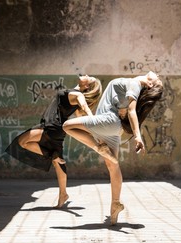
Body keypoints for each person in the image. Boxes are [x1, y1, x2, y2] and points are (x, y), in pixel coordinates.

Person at [63, 71, 163, 225]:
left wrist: (137, 136)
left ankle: (98, 148)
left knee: (67, 126)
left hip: (107, 121)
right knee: (113, 165)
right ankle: (115, 206)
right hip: (113, 128)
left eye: (157, 79)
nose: (157, 74)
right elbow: (125, 110)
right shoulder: (131, 85)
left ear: (149, 84)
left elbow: (131, 111)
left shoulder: (135, 84)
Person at [6, 75, 102, 208]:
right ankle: (63, 194)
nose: (86, 75)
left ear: (86, 86)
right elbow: (80, 117)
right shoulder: (74, 94)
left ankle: (52, 156)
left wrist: (94, 122)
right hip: (58, 129)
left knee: (22, 142)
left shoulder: (79, 95)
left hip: (51, 126)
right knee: (59, 164)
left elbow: (85, 109)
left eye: (89, 78)